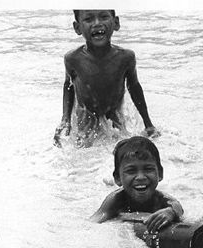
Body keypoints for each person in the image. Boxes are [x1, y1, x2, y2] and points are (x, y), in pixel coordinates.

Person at [54, 9, 157, 147]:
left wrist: (148, 124)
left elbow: (134, 88)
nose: (97, 23)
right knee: (83, 152)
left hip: (114, 116)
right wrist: (65, 120)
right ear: (77, 28)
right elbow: (69, 87)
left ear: (116, 23)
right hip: (85, 119)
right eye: (89, 19)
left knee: (120, 146)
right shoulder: (73, 59)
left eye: (103, 17)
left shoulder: (125, 57)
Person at [90, 136, 183, 233]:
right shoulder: (115, 200)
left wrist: (170, 212)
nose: (140, 177)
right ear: (118, 178)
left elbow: (178, 208)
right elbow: (92, 223)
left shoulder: (161, 200)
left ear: (160, 173)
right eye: (131, 171)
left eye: (148, 169)